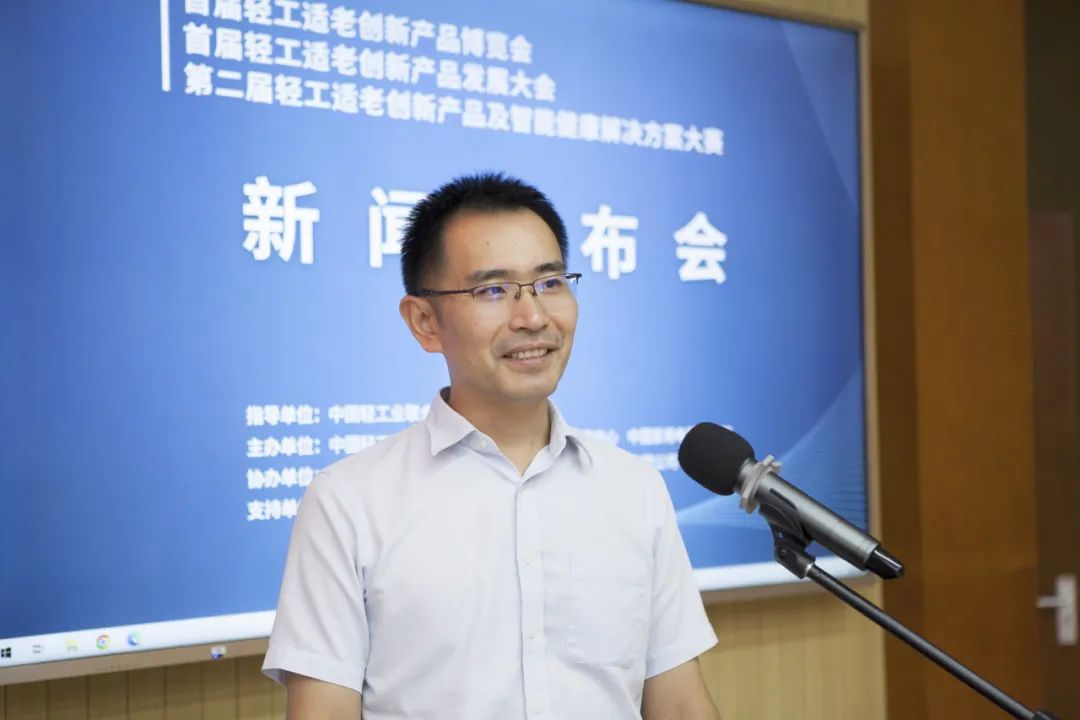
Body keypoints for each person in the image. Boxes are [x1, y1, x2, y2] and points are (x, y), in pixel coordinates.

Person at [262, 172, 721, 719]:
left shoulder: (633, 488)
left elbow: (681, 704)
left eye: (550, 282)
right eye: (493, 291)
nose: (533, 317)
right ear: (424, 322)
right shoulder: (348, 503)